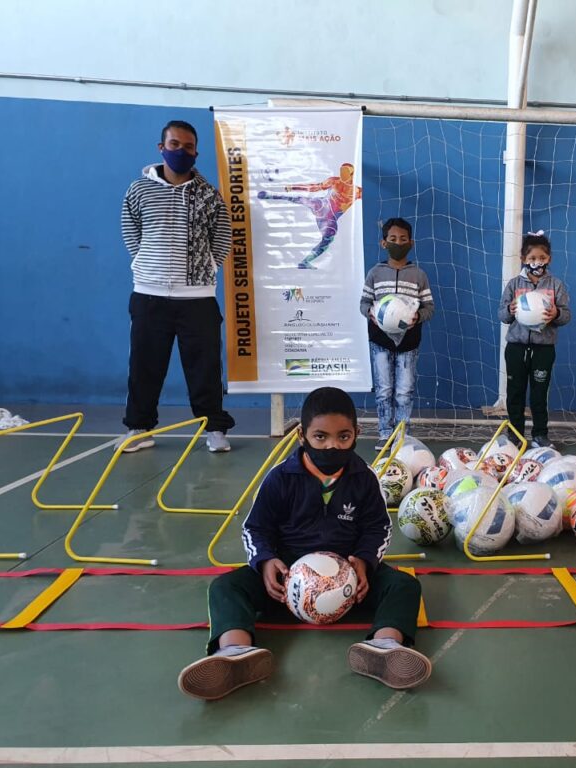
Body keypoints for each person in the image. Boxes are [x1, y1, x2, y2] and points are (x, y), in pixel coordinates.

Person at [177, 386, 430, 701]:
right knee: (225, 587)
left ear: (356, 433)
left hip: (349, 581)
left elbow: (377, 527)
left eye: (343, 437)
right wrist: (266, 561)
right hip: (287, 584)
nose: (332, 446)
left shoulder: (364, 478)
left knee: (404, 586)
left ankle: (385, 647)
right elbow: (255, 528)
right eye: (320, 437)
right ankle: (234, 652)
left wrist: (364, 562)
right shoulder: (281, 478)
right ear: (302, 435)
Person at [120, 120, 234, 454]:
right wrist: (147, 265)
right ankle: (139, 428)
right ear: (161, 148)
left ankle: (213, 428)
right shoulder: (138, 191)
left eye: (187, 147)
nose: (180, 151)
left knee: (205, 369)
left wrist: (205, 268)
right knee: (144, 366)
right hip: (149, 296)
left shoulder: (209, 195)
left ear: (196, 152)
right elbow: (132, 233)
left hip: (197, 300)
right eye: (174, 144)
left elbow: (222, 237)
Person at [359, 218, 435, 450]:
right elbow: (363, 303)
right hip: (380, 340)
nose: (398, 243)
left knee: (404, 391)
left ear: (411, 243)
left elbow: (429, 308)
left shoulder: (419, 275)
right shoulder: (375, 273)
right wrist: (371, 313)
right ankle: (384, 433)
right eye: (393, 239)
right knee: (384, 390)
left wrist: (417, 317)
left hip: (409, 342)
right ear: (384, 243)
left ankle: (402, 436)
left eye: (403, 239)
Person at [498, 231, 572, 449]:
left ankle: (540, 434)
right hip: (516, 347)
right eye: (532, 258)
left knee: (539, 394)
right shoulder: (513, 284)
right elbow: (501, 315)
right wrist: (511, 310)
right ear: (523, 259)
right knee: (515, 393)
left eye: (541, 258)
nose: (536, 262)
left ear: (548, 259)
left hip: (543, 349)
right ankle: (514, 434)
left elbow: (566, 316)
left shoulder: (555, 285)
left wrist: (556, 314)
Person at [256, 163, 362, 269]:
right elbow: (314, 187)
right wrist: (293, 187)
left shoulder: (357, 191)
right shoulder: (334, 181)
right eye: (341, 170)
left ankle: (304, 262)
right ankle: (270, 195)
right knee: (298, 198)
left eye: (345, 172)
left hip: (329, 218)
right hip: (321, 206)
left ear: (352, 174)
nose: (342, 173)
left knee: (328, 239)